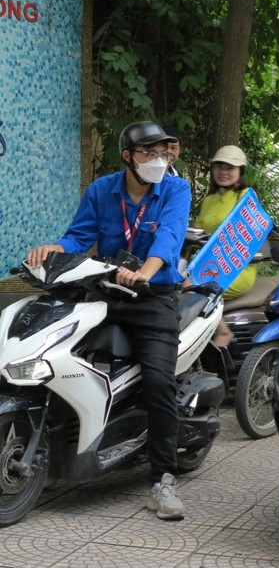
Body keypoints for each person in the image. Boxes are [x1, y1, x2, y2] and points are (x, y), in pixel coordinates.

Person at [27, 121, 190, 520]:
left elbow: (169, 238)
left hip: (153, 297)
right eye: (148, 154)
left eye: (162, 153)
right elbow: (79, 238)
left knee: (158, 381)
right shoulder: (101, 190)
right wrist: (55, 249)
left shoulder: (175, 189)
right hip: (104, 292)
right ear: (128, 157)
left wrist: (146, 273)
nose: (157, 161)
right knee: (56, 358)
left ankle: (163, 480)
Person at [193, 145, 257, 346]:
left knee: (194, 289)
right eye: (219, 166)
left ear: (240, 172)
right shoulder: (209, 200)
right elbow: (198, 233)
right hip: (208, 265)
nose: (224, 172)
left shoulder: (246, 196)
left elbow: (253, 234)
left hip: (236, 268)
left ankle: (223, 332)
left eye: (230, 167)